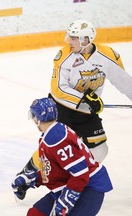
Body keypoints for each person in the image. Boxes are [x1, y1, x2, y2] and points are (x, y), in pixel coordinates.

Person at [11, 98, 113, 216]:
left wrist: (66, 201)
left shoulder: (56, 138)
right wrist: (33, 179)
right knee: (35, 213)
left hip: (88, 188)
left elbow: (81, 174)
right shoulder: (52, 133)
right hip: (70, 185)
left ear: (38, 119)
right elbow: (57, 170)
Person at [49, 19, 132, 162]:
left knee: (100, 151)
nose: (69, 41)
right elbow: (58, 88)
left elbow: (125, 83)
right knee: (59, 149)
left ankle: (81, 174)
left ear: (86, 39)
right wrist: (84, 98)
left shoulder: (108, 55)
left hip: (87, 111)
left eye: (74, 38)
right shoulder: (64, 56)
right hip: (61, 108)